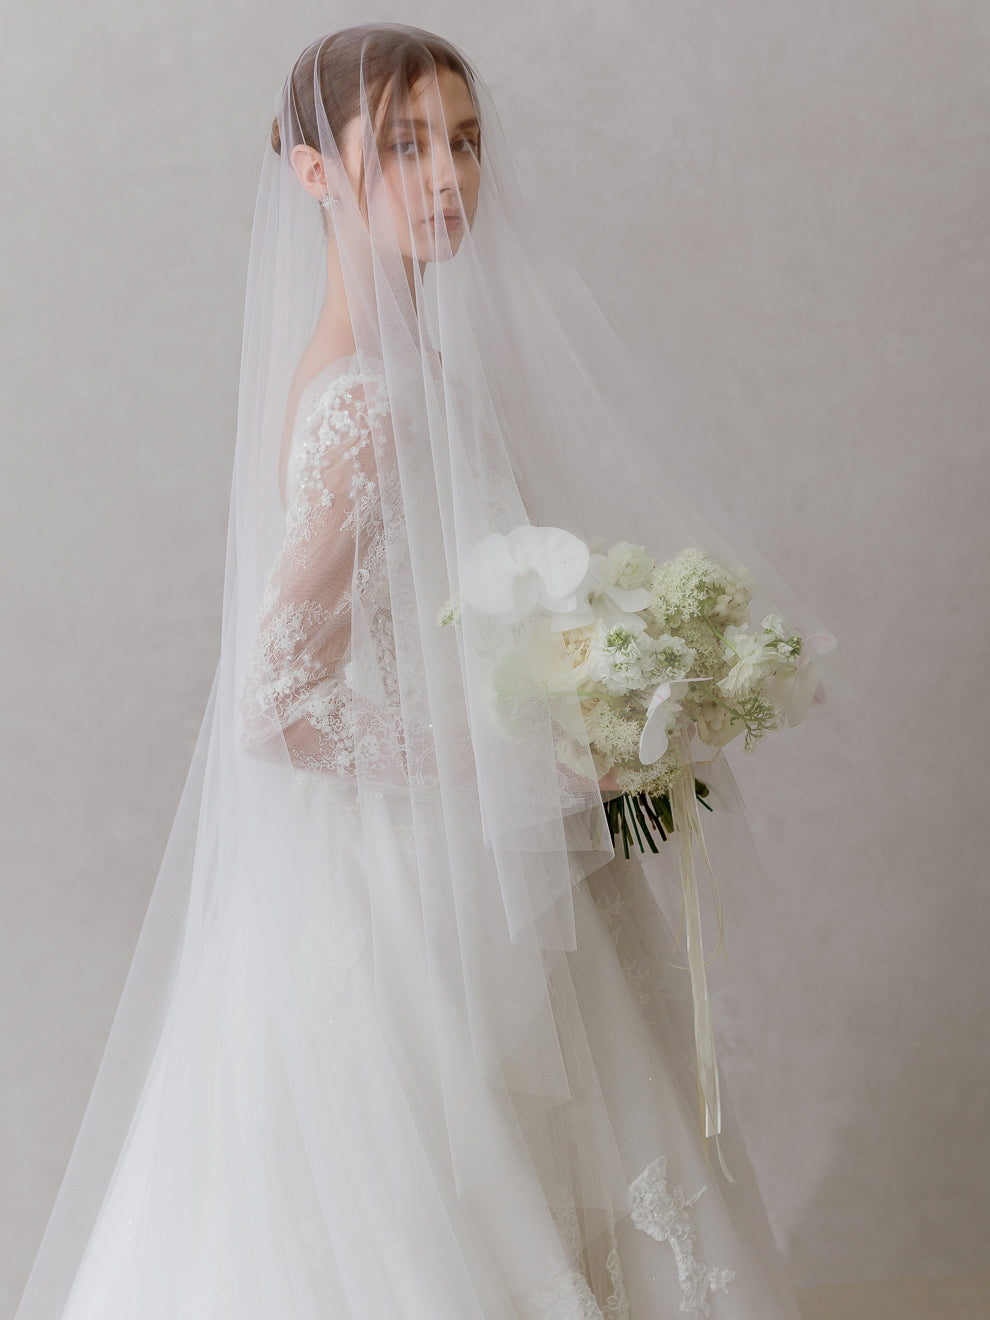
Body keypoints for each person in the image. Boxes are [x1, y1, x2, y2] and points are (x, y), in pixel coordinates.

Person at [15, 23, 833, 1319]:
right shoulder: (370, 403)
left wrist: (601, 702)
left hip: (457, 855)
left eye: (463, 141)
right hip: (405, 886)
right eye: (401, 146)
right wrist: (521, 765)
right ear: (312, 174)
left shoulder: (412, 377)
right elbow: (277, 704)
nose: (448, 176)